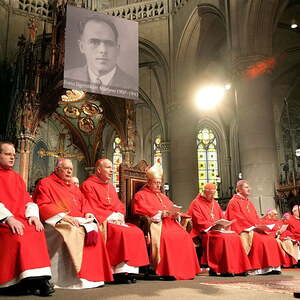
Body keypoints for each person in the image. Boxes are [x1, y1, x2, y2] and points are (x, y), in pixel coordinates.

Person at [33, 158, 113, 289]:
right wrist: (63, 216)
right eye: (66, 168)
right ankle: (76, 278)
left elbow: (84, 202)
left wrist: (87, 213)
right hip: (56, 221)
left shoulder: (72, 186)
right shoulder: (46, 183)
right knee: (74, 231)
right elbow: (42, 204)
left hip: (77, 219)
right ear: (57, 169)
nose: (69, 171)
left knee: (94, 228)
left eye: (71, 169)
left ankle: (93, 278)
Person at [80, 158, 149, 284]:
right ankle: (117, 271)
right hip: (103, 221)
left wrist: (119, 215)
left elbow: (118, 204)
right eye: (108, 167)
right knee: (123, 233)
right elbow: (91, 206)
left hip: (114, 219)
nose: (112, 170)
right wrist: (111, 217)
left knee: (136, 231)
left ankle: (130, 270)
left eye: (112, 167)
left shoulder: (110, 187)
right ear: (99, 170)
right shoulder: (88, 185)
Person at [0, 142, 54, 296]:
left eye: (13, 154)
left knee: (36, 231)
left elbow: (27, 200)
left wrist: (33, 216)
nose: (12, 157)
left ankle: (39, 279)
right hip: (3, 221)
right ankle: (14, 283)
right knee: (17, 236)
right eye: (7, 154)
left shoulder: (16, 177)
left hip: (20, 218)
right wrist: (8, 218)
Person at [133, 163, 201, 280]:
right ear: (149, 182)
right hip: (158, 224)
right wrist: (160, 213)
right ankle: (167, 270)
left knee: (185, 236)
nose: (158, 185)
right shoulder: (141, 195)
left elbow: (171, 206)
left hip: (171, 223)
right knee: (169, 237)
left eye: (159, 183)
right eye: (155, 182)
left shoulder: (163, 196)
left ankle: (185, 270)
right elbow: (140, 209)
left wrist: (176, 213)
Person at [64, 14, 136, 96]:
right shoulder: (67, 77)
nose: (103, 50)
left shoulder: (132, 85)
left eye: (109, 43)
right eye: (94, 42)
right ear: (82, 47)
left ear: (117, 49)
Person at [188, 183, 251, 276]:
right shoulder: (196, 203)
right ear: (204, 192)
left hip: (218, 230)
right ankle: (223, 268)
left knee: (235, 237)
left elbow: (222, 216)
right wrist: (212, 225)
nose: (212, 196)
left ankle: (239, 268)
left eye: (213, 194)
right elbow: (198, 221)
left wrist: (224, 224)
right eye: (210, 194)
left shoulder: (215, 203)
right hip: (204, 231)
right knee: (223, 239)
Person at [226, 180, 285, 275]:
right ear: (239, 189)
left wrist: (261, 226)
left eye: (249, 187)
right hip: (243, 229)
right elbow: (236, 218)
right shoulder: (233, 202)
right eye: (246, 187)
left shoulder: (248, 202)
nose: (249, 189)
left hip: (254, 228)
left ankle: (271, 267)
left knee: (271, 239)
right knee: (261, 241)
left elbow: (256, 217)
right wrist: (252, 227)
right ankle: (257, 268)